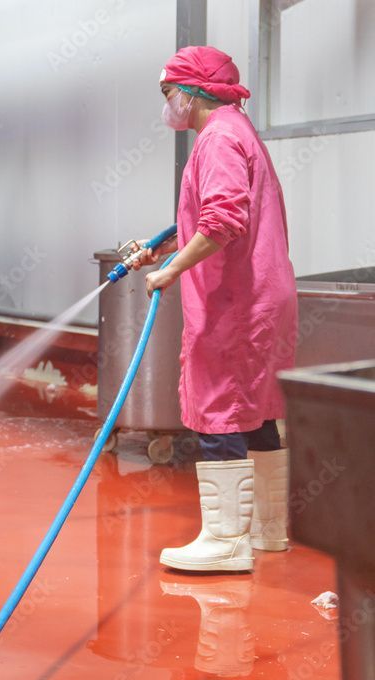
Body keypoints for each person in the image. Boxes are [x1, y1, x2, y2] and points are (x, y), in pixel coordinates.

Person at [133, 46, 298, 573]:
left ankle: (225, 542)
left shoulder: (219, 138)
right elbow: (217, 214)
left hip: (234, 302)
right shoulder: (238, 130)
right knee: (255, 408)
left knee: (220, 407)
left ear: (193, 92)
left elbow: (223, 222)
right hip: (262, 295)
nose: (167, 105)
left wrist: (170, 271)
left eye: (169, 93)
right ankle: (268, 530)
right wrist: (163, 247)